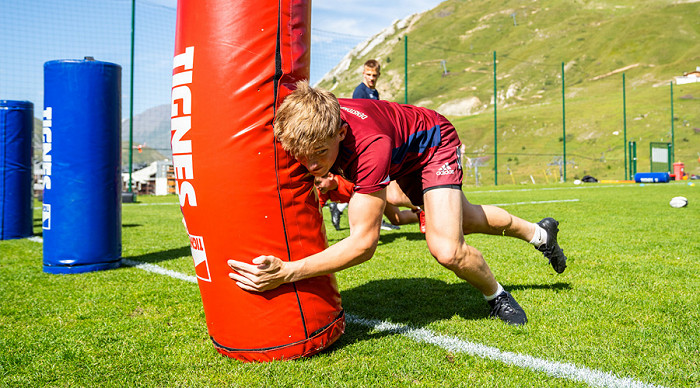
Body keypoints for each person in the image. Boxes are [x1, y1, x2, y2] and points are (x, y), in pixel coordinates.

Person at [228, 81, 567, 326]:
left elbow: (363, 245)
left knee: (447, 246)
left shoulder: (369, 147)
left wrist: (290, 271)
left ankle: (497, 297)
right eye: (302, 155)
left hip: (431, 144)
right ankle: (541, 235)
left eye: (320, 153)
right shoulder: (308, 117)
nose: (312, 165)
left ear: (341, 134)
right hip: (401, 150)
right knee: (464, 218)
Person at [315, 173, 423, 231]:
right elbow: (315, 211)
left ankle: (421, 208)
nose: (317, 187)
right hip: (372, 197)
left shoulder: (347, 179)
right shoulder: (324, 191)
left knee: (394, 198)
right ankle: (423, 215)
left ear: (330, 176)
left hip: (377, 190)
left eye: (319, 182)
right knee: (398, 219)